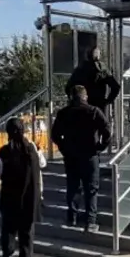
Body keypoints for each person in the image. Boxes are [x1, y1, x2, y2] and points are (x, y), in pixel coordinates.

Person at [51, 85, 112, 232]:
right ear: (85, 97)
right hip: (90, 155)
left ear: (71, 97)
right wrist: (100, 147)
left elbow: (55, 135)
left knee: (73, 186)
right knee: (91, 188)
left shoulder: (64, 113)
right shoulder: (93, 111)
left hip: (71, 155)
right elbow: (107, 130)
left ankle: (72, 217)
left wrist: (64, 148)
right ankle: (90, 221)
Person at [0, 118, 42, 257]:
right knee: (27, 230)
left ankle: (7, 255)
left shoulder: (2, 152)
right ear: (23, 130)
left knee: (8, 228)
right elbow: (42, 164)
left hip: (9, 196)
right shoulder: (32, 148)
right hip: (29, 196)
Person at [65, 46, 122, 114]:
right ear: (98, 55)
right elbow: (116, 87)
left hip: (82, 106)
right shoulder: (102, 69)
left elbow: (68, 88)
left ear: (87, 55)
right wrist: (107, 101)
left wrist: (75, 101)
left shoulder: (80, 68)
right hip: (98, 107)